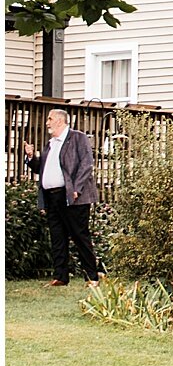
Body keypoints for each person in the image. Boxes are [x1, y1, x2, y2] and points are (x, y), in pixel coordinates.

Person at [24, 106, 101, 286]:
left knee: (79, 235)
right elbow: (40, 168)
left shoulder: (77, 138)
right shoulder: (50, 143)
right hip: (52, 197)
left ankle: (92, 277)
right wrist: (30, 157)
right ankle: (60, 276)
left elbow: (87, 164)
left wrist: (76, 188)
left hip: (73, 196)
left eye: (49, 119)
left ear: (59, 120)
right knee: (57, 236)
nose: (47, 123)